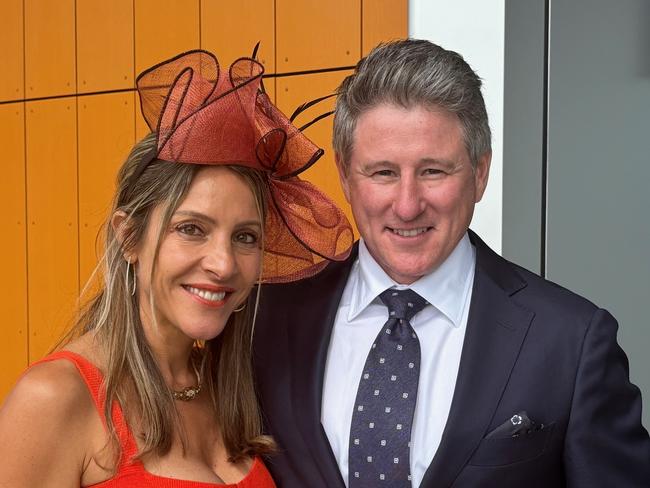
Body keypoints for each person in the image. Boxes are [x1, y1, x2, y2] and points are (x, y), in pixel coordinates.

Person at [252, 39, 650, 487]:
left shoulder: (571, 342)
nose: (407, 206)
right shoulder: (265, 320)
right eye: (383, 172)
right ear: (345, 175)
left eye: (433, 171)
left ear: (480, 173)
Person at [0, 50, 352, 487]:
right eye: (191, 229)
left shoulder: (228, 389)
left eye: (245, 237)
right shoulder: (55, 398)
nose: (223, 264)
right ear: (129, 238)